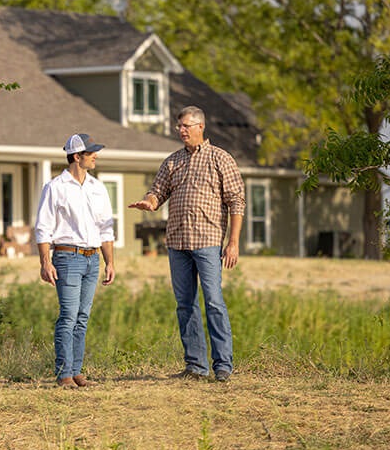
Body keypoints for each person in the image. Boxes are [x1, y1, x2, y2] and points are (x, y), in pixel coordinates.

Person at [129, 106, 245, 382]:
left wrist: (233, 243)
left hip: (207, 242)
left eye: (186, 126)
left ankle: (223, 366)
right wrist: (150, 201)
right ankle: (195, 366)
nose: (181, 130)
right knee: (185, 304)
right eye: (179, 126)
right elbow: (158, 191)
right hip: (177, 243)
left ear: (200, 127)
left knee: (214, 302)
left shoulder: (221, 159)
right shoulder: (172, 161)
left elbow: (236, 201)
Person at [35, 133, 116, 389]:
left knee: (83, 317)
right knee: (68, 316)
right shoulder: (55, 187)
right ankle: (64, 373)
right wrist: (45, 262)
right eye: (91, 152)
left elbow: (106, 228)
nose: (95, 156)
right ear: (76, 156)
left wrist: (110, 262)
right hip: (67, 257)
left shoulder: (97, 187)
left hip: (93, 259)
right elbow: (43, 228)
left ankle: (77, 371)